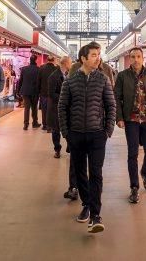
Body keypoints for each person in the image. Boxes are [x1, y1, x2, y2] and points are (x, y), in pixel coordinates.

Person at [59, 42, 115, 233]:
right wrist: (66, 133)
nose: (97, 57)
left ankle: (96, 215)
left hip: (97, 134)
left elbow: (111, 105)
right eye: (93, 55)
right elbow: (62, 107)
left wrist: (107, 131)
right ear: (83, 58)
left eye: (98, 54)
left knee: (96, 173)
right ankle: (87, 204)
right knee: (81, 172)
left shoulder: (103, 79)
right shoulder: (70, 81)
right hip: (76, 135)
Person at [115, 47, 146, 204]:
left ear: (143, 58)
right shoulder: (122, 76)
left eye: (138, 56)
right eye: (133, 56)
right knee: (132, 154)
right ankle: (134, 187)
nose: (136, 59)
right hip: (131, 120)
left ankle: (145, 172)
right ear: (130, 58)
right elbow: (117, 98)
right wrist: (119, 118)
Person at [48, 56, 72, 158]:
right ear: (66, 63)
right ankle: (57, 149)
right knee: (56, 130)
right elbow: (51, 94)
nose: (71, 65)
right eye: (70, 63)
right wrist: (65, 97)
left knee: (67, 128)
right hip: (56, 108)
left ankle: (69, 147)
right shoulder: (54, 76)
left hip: (65, 108)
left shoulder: (67, 75)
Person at [19, 54, 40, 130]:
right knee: (34, 108)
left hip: (25, 91)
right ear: (36, 60)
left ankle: (25, 124)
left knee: (26, 108)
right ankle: (34, 123)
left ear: (29, 60)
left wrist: (18, 91)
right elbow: (39, 82)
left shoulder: (24, 69)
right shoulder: (38, 69)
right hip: (35, 91)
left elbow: (20, 81)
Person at [37, 55, 58, 131]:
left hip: (43, 93)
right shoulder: (56, 69)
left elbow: (38, 81)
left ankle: (44, 125)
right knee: (52, 109)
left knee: (44, 109)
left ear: (47, 60)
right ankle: (50, 126)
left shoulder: (41, 68)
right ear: (53, 60)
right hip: (53, 93)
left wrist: (39, 92)